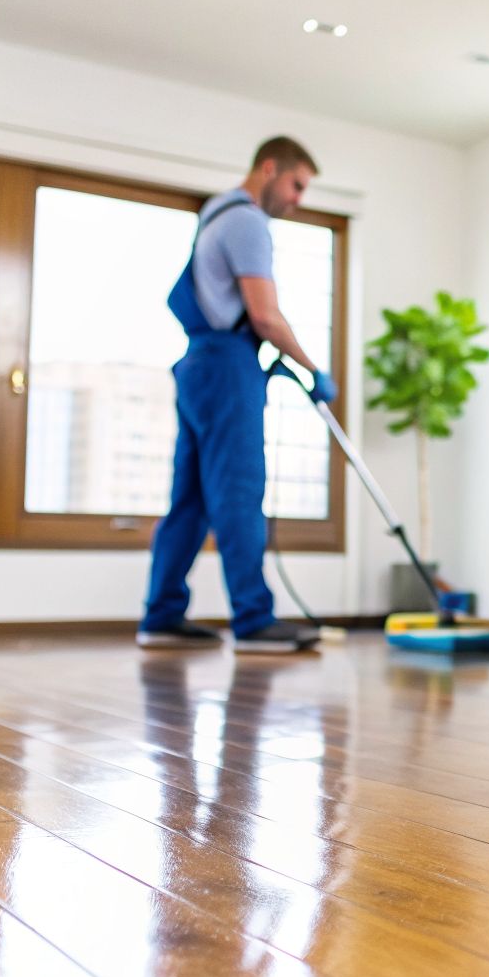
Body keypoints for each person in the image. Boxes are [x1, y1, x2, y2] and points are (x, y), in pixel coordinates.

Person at [138, 136, 338, 653]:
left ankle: (160, 616)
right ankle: (253, 620)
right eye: (296, 185)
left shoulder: (214, 213)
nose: (298, 198)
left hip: (199, 364)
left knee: (191, 499)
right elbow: (265, 316)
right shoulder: (248, 221)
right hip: (227, 367)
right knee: (239, 491)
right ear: (269, 169)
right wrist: (314, 370)